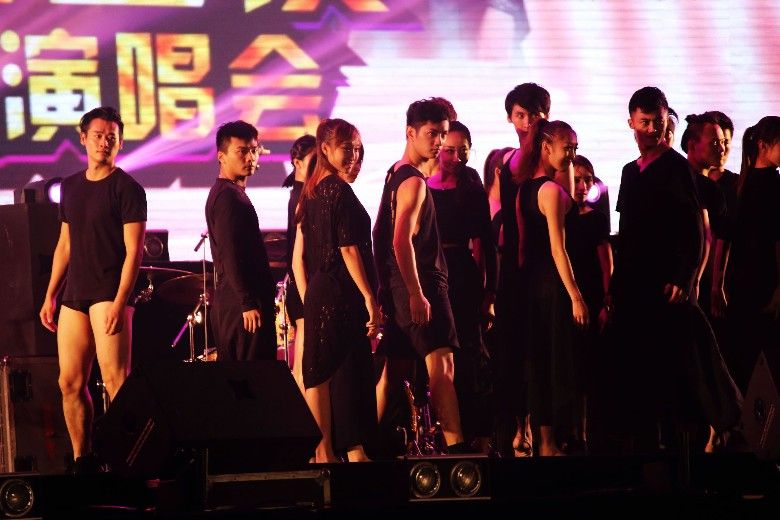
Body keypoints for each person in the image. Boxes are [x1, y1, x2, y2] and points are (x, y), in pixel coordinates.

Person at [609, 87, 740, 451]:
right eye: (644, 122)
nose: (651, 129)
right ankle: (647, 449)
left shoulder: (677, 168)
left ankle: (689, 446)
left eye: (658, 121)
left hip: (665, 285)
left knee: (674, 367)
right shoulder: (630, 172)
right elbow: (627, 232)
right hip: (634, 285)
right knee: (640, 369)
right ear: (631, 123)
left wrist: (684, 278)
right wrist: (616, 286)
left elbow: (694, 229)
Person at [39, 106, 146, 473]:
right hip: (75, 294)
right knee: (69, 382)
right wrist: (50, 294)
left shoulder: (128, 188)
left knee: (116, 381)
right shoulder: (70, 186)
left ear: (120, 142)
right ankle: (82, 462)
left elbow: (134, 251)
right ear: (83, 138)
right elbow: (65, 245)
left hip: (109, 292)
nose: (104, 142)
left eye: (111, 137)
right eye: (98, 135)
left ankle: (127, 464)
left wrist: (120, 301)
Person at [373, 97, 468, 453]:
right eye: (432, 133)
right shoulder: (413, 181)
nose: (439, 141)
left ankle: (362, 445)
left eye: (443, 133)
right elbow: (399, 240)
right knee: (442, 366)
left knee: (394, 372)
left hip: (401, 287)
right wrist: (415, 292)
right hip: (422, 284)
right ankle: (457, 450)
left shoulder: (394, 173)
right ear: (410, 133)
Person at [292, 118, 380, 463]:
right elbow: (348, 249)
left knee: (321, 374)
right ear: (325, 149)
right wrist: (370, 297)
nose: (354, 156)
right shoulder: (336, 190)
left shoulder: (314, 190)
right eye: (347, 149)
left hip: (323, 291)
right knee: (334, 372)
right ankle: (339, 454)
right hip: (338, 292)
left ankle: (326, 455)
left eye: (358, 149)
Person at [514, 119, 589, 456]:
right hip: (555, 285)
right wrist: (576, 296)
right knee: (557, 361)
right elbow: (559, 249)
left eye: (575, 148)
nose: (572, 154)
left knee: (541, 361)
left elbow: (522, 247)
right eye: (567, 148)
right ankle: (553, 441)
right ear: (546, 147)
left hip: (534, 284)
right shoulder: (550, 192)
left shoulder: (526, 189)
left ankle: (546, 442)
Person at [427, 120, 497, 451]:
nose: (456, 157)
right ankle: (441, 436)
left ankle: (477, 437)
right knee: (438, 358)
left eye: (462, 151)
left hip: (463, 276)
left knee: (469, 357)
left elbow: (487, 244)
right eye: (450, 150)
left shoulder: (472, 189)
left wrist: (490, 292)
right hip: (432, 275)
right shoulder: (421, 185)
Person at [496, 82, 551, 457]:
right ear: (510, 118)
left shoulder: (552, 157)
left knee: (541, 350)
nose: (528, 122)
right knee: (513, 351)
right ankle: (518, 428)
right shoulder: (507, 163)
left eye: (534, 115)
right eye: (520, 115)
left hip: (544, 264)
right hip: (513, 271)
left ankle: (545, 432)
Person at [205, 121, 277, 361]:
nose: (250, 157)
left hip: (241, 305)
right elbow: (230, 254)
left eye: (254, 150)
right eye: (242, 151)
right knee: (251, 378)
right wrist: (247, 302)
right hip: (242, 309)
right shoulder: (229, 198)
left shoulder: (230, 193)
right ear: (221, 156)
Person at [725, 116, 780, 394]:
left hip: (750, 280)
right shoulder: (751, 185)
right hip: (756, 280)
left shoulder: (743, 185)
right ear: (763, 144)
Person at [282, 135, 317, 394]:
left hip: (303, 286)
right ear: (297, 162)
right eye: (314, 161)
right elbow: (298, 257)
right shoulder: (302, 198)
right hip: (303, 287)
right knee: (305, 367)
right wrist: (307, 297)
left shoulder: (305, 195)